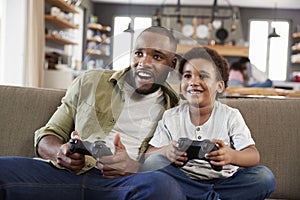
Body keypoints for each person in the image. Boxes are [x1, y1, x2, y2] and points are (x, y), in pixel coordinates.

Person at [0, 26, 186, 199]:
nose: (143, 62)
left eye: (157, 57)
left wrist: (134, 168)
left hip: (123, 184)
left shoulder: (177, 110)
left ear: (172, 63)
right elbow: (47, 135)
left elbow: (171, 164)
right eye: (139, 53)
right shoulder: (91, 82)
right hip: (66, 175)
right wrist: (60, 153)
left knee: (165, 188)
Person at [143, 47, 276, 200]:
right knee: (153, 163)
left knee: (264, 176)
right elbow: (149, 156)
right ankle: (210, 197)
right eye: (187, 76)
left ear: (220, 85)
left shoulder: (230, 116)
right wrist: (167, 151)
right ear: (181, 85)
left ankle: (200, 197)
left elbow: (253, 156)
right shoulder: (170, 117)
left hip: (225, 182)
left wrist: (231, 155)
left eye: (203, 76)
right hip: (184, 180)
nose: (193, 82)